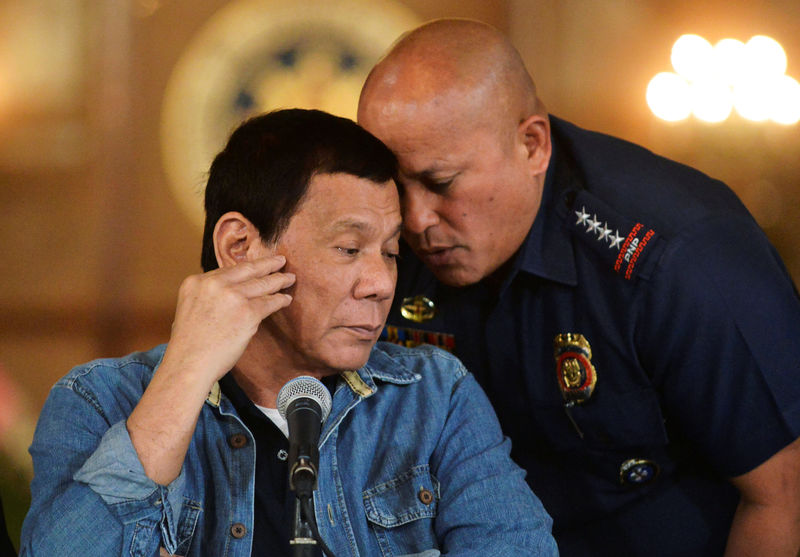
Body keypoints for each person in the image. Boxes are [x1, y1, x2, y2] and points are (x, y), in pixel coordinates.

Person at [19, 109, 557, 556]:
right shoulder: (97, 400)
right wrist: (183, 375)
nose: (379, 284)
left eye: (391, 254)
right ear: (240, 248)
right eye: (349, 248)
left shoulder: (434, 398)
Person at [357, 18, 800, 557]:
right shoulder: (378, 236)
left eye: (441, 183)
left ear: (532, 145)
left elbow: (784, 493)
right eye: (392, 184)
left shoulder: (677, 257)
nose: (415, 219)